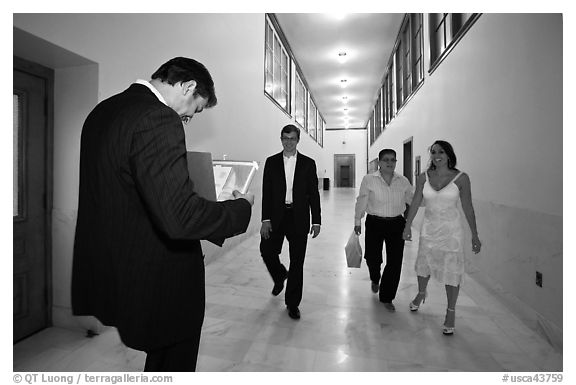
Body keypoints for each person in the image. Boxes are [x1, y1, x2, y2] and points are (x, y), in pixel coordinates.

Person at [71, 57, 254, 372]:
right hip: (158, 279)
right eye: (193, 111)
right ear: (188, 86)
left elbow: (127, 191)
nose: (185, 118)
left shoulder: (102, 112)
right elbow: (179, 217)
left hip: (115, 270)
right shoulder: (158, 118)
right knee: (173, 361)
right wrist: (241, 209)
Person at [402, 140, 481, 335]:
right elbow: (415, 203)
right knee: (424, 263)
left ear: (449, 155)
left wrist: (475, 235)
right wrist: (407, 226)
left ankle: (450, 312)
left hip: (451, 232)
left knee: (451, 270)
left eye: (442, 152)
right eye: (434, 152)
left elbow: (468, 207)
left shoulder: (461, 178)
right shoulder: (423, 177)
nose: (437, 155)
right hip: (429, 228)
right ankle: (421, 293)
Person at [260, 124, 321, 320]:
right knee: (267, 250)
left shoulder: (308, 164)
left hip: (299, 217)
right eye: (285, 138)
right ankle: (279, 276)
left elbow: (314, 194)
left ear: (298, 140)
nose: (288, 142)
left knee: (297, 262)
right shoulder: (271, 162)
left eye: (292, 138)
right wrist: (265, 219)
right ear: (281, 139)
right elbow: (266, 193)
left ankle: (292, 303)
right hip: (276, 217)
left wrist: (317, 220)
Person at [354, 149, 413, 312]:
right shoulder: (369, 179)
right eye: (386, 160)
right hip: (375, 222)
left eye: (393, 160)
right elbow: (362, 200)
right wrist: (357, 220)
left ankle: (387, 297)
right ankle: (375, 276)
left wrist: (433, 196)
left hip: (396, 223)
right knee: (372, 257)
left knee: (395, 262)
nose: (389, 163)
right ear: (379, 162)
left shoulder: (403, 181)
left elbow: (412, 200)